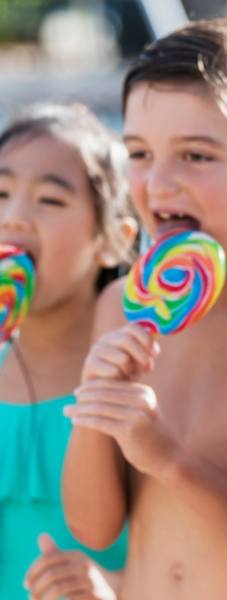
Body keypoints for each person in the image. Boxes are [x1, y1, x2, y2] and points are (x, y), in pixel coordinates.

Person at [62, 17, 227, 599]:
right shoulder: (124, 306)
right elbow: (93, 525)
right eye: (138, 152)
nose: (159, 182)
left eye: (196, 155)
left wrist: (166, 456)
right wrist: (96, 407)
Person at [0, 103, 134, 599]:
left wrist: (116, 587)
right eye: (1, 193)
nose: (14, 218)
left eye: (50, 201)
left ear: (112, 241)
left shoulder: (133, 376)